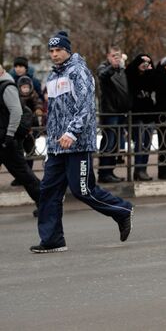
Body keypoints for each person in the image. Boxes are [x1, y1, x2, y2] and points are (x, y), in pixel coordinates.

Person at [30, 31, 133, 254]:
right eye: (52, 51)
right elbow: (55, 113)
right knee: (48, 192)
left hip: (77, 143)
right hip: (57, 146)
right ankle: (52, 239)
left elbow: (86, 107)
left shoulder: (79, 71)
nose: (55, 54)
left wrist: (72, 133)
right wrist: (51, 144)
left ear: (68, 50)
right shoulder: (53, 76)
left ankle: (122, 210)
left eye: (59, 50)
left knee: (82, 190)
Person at [0, 64, 40, 216]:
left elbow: (16, 111)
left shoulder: (7, 86)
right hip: (3, 139)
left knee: (24, 175)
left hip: (8, 141)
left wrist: (9, 136)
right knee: (24, 174)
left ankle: (46, 204)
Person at [97, 46, 131, 183]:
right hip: (110, 112)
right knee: (108, 143)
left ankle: (110, 171)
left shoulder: (122, 70)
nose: (116, 58)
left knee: (116, 144)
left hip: (121, 111)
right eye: (113, 56)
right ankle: (104, 172)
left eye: (118, 55)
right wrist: (113, 66)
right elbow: (103, 75)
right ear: (108, 56)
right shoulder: (103, 67)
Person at [126, 53, 156, 181]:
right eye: (143, 61)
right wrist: (140, 60)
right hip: (137, 115)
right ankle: (138, 170)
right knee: (139, 143)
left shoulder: (150, 76)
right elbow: (130, 73)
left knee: (147, 144)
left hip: (149, 115)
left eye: (148, 62)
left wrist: (150, 70)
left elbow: (155, 84)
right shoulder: (131, 75)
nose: (145, 64)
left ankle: (143, 169)